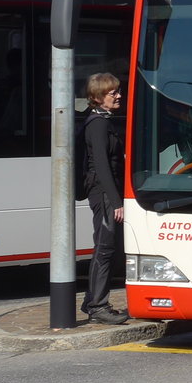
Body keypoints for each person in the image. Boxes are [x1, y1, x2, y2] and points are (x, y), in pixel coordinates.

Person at [81, 72, 128, 324]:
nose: (119, 96)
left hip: (106, 191)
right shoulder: (97, 124)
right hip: (103, 192)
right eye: (114, 93)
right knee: (105, 248)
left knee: (107, 246)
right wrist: (116, 201)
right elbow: (101, 164)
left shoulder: (103, 120)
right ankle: (98, 306)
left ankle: (92, 300)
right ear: (99, 97)